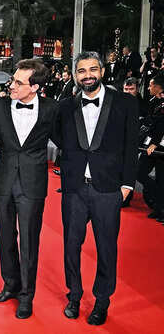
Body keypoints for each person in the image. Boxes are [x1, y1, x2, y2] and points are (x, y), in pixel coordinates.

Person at [53, 51, 138, 326]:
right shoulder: (65, 106)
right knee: (71, 246)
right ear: (75, 75)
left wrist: (127, 184)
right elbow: (59, 136)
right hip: (75, 188)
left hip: (108, 189)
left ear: (101, 71)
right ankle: (74, 295)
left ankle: (102, 301)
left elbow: (131, 145)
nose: (87, 75)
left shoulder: (125, 103)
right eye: (81, 71)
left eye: (92, 69)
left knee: (106, 248)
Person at [0, 59, 58, 319]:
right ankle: (11, 285)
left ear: (36, 87)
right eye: (13, 79)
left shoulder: (52, 109)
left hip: (33, 183)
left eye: (19, 82)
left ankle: (27, 295)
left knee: (29, 241)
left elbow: (66, 141)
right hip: (4, 180)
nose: (12, 85)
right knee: (6, 238)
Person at [137, 74, 164, 221]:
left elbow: (162, 124)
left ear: (158, 86)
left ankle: (160, 209)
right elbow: (150, 121)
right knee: (139, 173)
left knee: (161, 178)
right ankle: (158, 202)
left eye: (151, 85)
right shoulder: (153, 101)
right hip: (150, 144)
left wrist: (155, 142)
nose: (148, 87)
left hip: (160, 147)